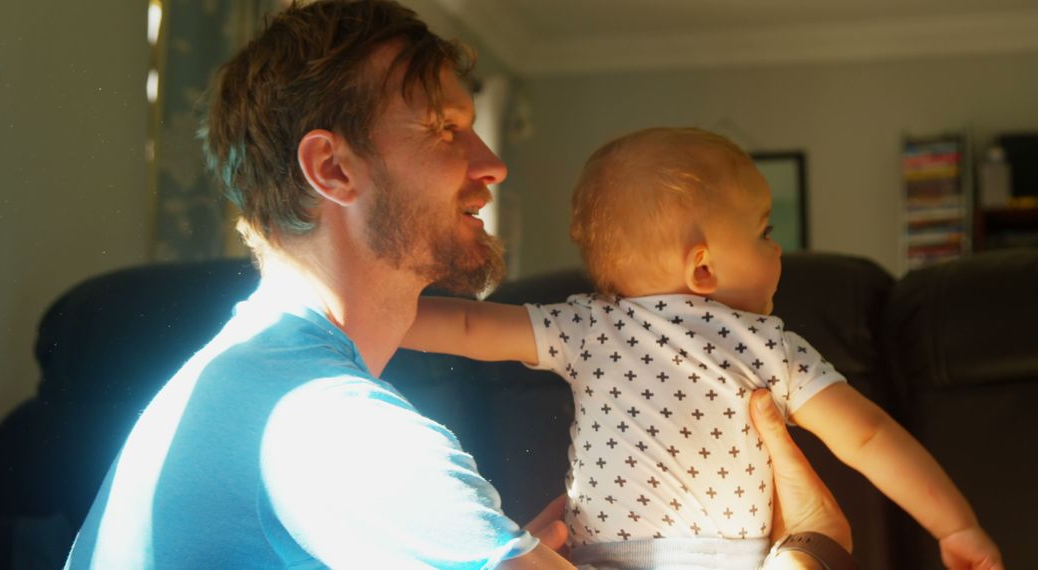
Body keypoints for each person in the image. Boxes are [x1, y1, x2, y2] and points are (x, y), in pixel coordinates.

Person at [64, 2, 851, 568]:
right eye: (443, 131)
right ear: (333, 169)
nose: (492, 164)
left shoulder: (246, 382)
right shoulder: (333, 430)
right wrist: (815, 549)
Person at [403, 127, 1003, 569]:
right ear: (704, 269)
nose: (778, 251)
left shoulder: (583, 327)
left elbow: (464, 329)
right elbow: (869, 437)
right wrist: (955, 525)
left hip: (599, 558)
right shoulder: (769, 345)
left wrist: (368, 313)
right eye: (765, 231)